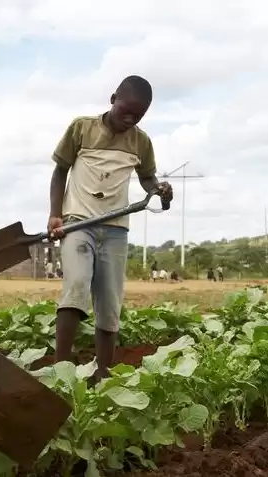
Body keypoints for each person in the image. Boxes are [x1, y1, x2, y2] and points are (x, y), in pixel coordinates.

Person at [47, 75, 173, 380]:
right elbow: (60, 171)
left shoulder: (140, 141)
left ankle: (103, 376)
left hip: (116, 228)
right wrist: (55, 215)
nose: (130, 119)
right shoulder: (82, 128)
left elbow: (147, 178)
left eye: (138, 115)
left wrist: (159, 190)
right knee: (76, 284)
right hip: (79, 222)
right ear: (113, 98)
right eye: (125, 110)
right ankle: (60, 370)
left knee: (109, 301)